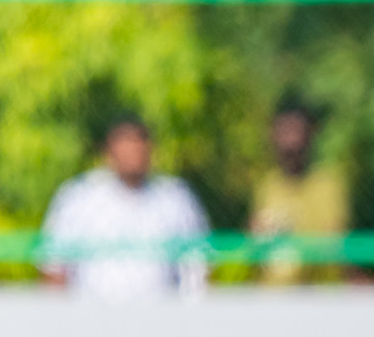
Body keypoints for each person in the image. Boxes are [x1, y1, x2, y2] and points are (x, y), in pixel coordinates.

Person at [41, 117, 209, 300]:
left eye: (138, 144)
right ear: (108, 150)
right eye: (124, 144)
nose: (131, 153)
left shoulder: (174, 198)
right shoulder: (79, 197)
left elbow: (197, 269)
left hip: (159, 318)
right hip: (92, 318)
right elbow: (54, 268)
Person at [250, 101, 350, 284]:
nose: (291, 143)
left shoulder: (327, 184)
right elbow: (256, 243)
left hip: (315, 297)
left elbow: (332, 244)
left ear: (310, 135)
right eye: (283, 133)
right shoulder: (267, 185)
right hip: (271, 298)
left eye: (296, 132)